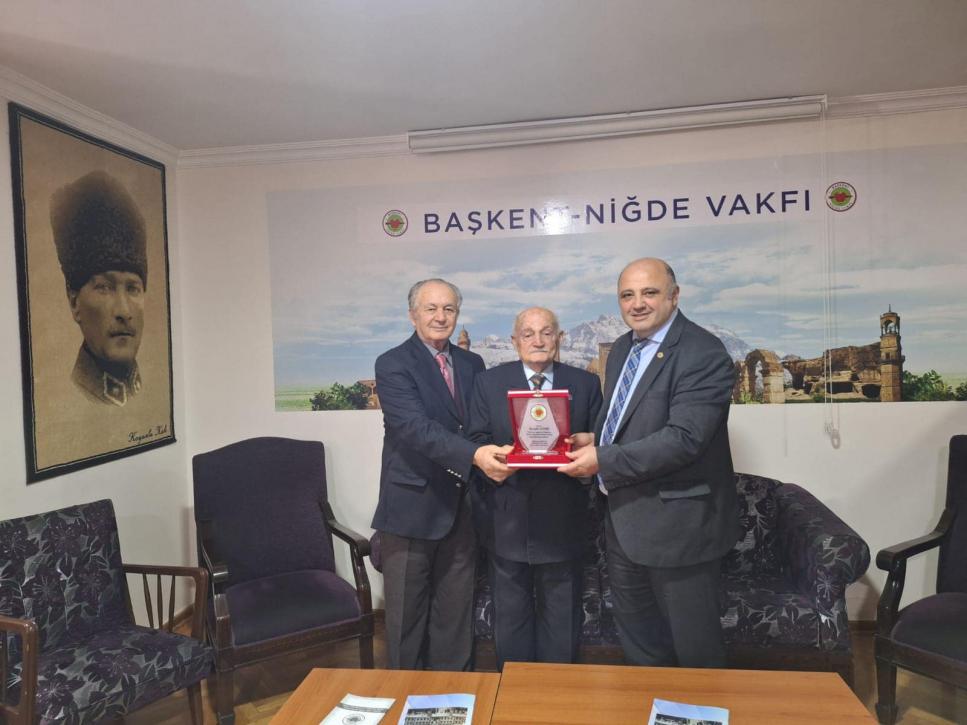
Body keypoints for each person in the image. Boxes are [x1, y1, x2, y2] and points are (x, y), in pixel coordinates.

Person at [558, 257, 740, 668]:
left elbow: (685, 439)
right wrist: (596, 439)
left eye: (649, 292)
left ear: (674, 296)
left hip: (679, 530)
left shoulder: (702, 352)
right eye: (627, 295)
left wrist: (602, 459)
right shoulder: (623, 348)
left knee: (695, 653)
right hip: (625, 523)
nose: (637, 303)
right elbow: (630, 418)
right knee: (641, 645)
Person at [371, 278, 513, 670]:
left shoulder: (472, 363)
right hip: (411, 508)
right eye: (431, 308)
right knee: (406, 622)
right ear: (412, 314)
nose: (440, 316)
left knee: (455, 619)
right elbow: (415, 428)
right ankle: (405, 694)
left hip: (463, 508)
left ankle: (452, 695)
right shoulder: (393, 363)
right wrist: (476, 455)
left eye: (449, 309)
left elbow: (481, 424)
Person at [468, 307, 602, 669]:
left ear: (560, 338)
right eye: (528, 334)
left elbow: (602, 444)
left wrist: (585, 454)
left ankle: (556, 695)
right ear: (515, 341)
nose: (538, 341)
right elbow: (475, 440)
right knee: (511, 623)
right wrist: (495, 458)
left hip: (564, 522)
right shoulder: (488, 383)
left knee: (562, 622)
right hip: (506, 520)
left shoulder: (586, 384)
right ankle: (514, 693)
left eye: (546, 332)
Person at [50, 170, 148, 407]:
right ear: (74, 303)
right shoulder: (66, 400)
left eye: (133, 288)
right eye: (104, 287)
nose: (124, 311)